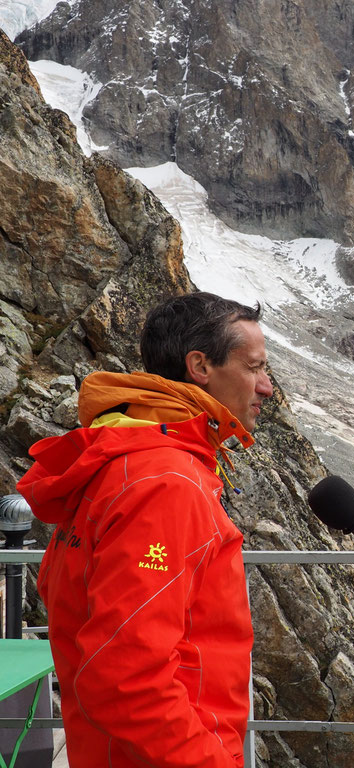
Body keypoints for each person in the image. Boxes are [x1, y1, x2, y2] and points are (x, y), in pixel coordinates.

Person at [17, 291, 272, 767]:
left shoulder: (126, 460)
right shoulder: (166, 483)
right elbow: (125, 674)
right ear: (200, 366)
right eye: (255, 367)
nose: (266, 387)